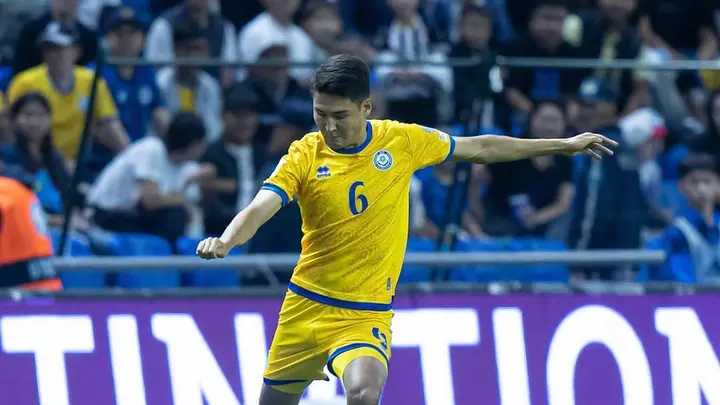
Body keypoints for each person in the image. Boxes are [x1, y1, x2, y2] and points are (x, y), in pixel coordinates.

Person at [195, 54, 616, 405]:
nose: (329, 126)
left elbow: (481, 147)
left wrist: (562, 144)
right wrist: (227, 240)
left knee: (364, 393)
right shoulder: (304, 154)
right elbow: (260, 207)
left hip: (365, 314)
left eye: (340, 116)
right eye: (320, 114)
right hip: (305, 307)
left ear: (366, 107)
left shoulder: (401, 141)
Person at [8, 22, 129, 163]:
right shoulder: (25, 83)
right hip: (34, 161)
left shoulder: (91, 81)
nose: (54, 55)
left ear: (77, 51)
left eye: (60, 48)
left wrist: (129, 156)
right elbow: (12, 129)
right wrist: (58, 164)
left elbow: (109, 123)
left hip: (79, 163)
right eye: (49, 49)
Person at [86, 112, 215, 244]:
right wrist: (181, 199)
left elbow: (208, 170)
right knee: (174, 216)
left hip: (129, 213)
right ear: (193, 145)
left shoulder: (179, 164)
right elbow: (149, 201)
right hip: (106, 213)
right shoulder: (153, 150)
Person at [0, 92, 70, 223]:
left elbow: (67, 196)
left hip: (61, 224)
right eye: (28, 115)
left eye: (41, 116)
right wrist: (49, 219)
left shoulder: (55, 158)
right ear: (14, 120)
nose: (35, 122)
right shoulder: (6, 157)